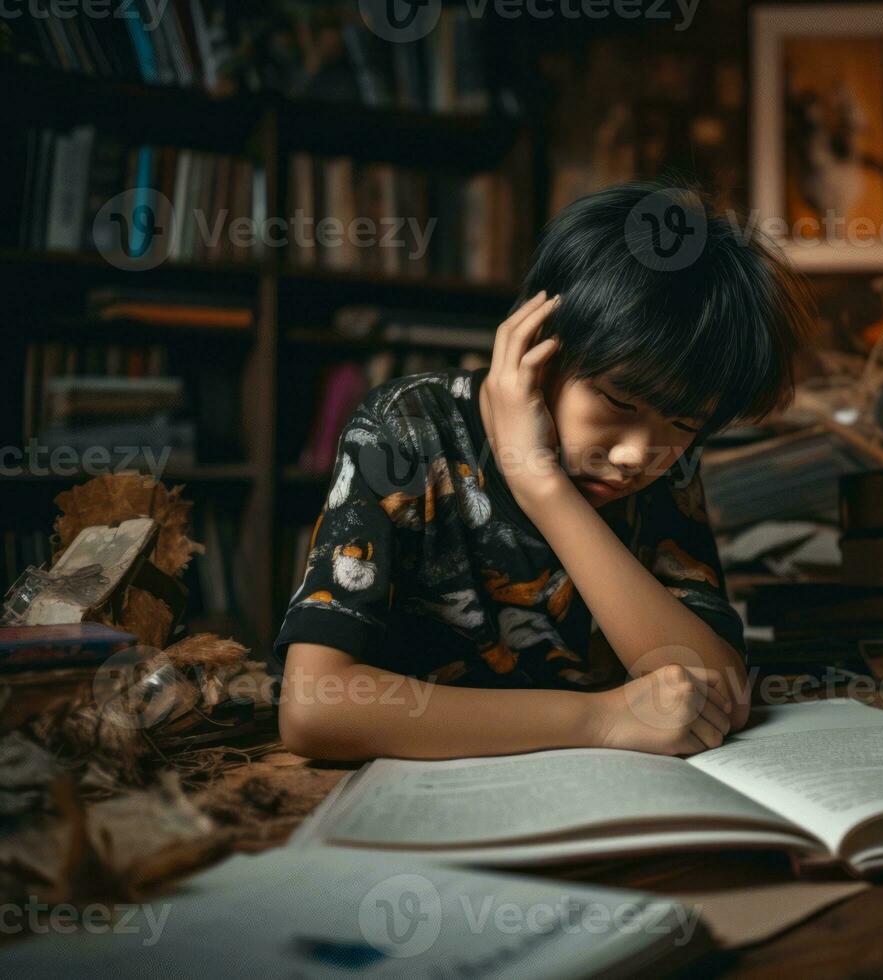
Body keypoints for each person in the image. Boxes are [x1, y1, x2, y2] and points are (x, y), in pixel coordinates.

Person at [274, 181, 814, 761]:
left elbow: (718, 697)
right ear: (538, 341)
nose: (638, 456)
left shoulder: (667, 463)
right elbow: (314, 707)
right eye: (618, 403)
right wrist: (600, 720)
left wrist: (544, 488)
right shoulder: (406, 429)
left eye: (684, 424)